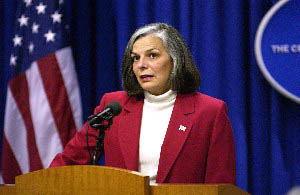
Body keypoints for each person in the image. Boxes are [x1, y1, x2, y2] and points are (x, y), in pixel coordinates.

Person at [49, 22, 236, 184]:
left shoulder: (210, 112)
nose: (141, 65)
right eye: (135, 58)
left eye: (152, 55)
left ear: (175, 60)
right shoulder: (113, 107)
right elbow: (68, 163)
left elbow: (221, 185)